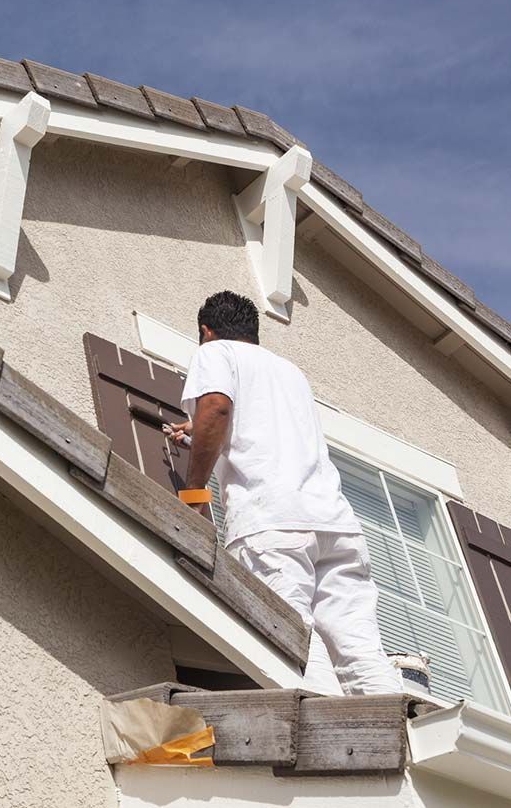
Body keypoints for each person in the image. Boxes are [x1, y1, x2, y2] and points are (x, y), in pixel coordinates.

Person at [168, 290, 402, 696]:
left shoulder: (214, 353)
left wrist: (193, 491)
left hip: (273, 525)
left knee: (293, 644)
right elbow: (262, 430)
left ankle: (329, 744)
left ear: (207, 331)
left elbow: (218, 409)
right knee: (360, 651)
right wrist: (197, 432)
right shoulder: (289, 372)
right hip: (334, 525)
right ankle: (394, 743)